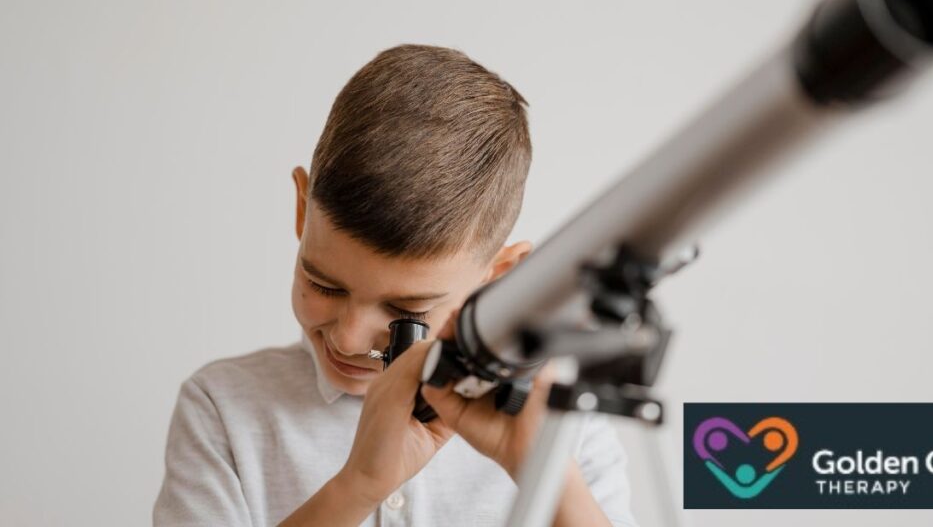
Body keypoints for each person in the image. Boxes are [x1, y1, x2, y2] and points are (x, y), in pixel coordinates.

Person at [153, 45, 637, 526]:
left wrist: (544, 475)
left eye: (406, 309)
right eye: (324, 284)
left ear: (501, 277)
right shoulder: (222, 408)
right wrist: (358, 485)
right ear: (302, 211)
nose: (348, 337)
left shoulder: (564, 426)